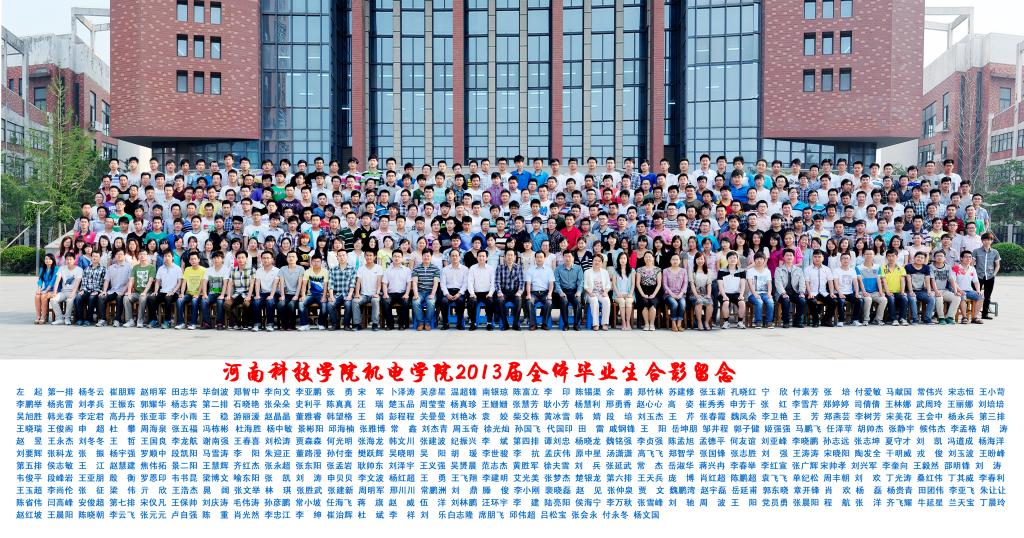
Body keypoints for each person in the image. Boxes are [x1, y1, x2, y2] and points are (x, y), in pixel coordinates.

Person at [773, 249, 806, 328]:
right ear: (783, 257)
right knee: (786, 300)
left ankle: (797, 321)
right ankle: (786, 321)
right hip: (781, 293)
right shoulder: (778, 269)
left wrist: (801, 292)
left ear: (794, 257)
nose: (789, 257)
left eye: (791, 255)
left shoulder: (799, 270)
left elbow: (802, 282)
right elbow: (778, 283)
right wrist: (783, 293)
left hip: (794, 292)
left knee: (802, 300)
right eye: (787, 255)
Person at [123, 251, 156, 328]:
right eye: (140, 254)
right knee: (126, 298)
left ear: (147, 256)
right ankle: (130, 320)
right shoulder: (135, 267)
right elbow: (131, 280)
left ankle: (140, 320)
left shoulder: (151, 267)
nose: (142, 256)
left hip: (147, 292)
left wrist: (144, 292)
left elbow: (150, 281)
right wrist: (129, 292)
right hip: (136, 292)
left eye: (144, 254)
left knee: (142, 298)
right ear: (138, 256)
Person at [804, 249, 837, 327]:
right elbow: (807, 282)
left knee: (834, 301)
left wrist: (831, 293)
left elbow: (830, 282)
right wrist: (809, 293)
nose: (817, 258)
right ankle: (815, 321)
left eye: (819, 257)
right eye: (815, 257)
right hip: (812, 292)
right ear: (812, 258)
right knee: (812, 301)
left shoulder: (827, 269)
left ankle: (826, 320)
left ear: (823, 258)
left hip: (823, 292)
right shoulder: (808, 269)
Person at [353, 250, 384, 330]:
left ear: (374, 257)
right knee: (355, 301)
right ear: (364, 257)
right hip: (364, 294)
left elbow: (379, 282)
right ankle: (357, 324)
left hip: (375, 294)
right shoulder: (361, 268)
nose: (368, 257)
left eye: (370, 255)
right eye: (367, 255)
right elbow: (358, 282)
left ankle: (375, 324)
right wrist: (357, 293)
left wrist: (377, 293)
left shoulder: (379, 268)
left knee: (375, 300)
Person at [494, 249, 524, 331]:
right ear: (504, 257)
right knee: (500, 300)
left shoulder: (519, 268)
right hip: (504, 292)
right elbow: (497, 282)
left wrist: (519, 292)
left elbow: (522, 282)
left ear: (515, 257)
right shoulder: (499, 267)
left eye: (511, 255)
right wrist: (499, 292)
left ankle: (515, 324)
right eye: (508, 255)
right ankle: (505, 324)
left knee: (519, 300)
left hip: (515, 292)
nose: (510, 257)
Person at [327, 249, 358, 330]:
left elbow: (352, 283)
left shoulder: (352, 269)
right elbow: (331, 284)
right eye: (339, 256)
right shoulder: (333, 269)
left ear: (347, 256)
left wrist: (350, 295)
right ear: (337, 257)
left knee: (348, 304)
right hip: (336, 294)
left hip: (348, 293)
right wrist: (331, 296)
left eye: (343, 255)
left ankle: (346, 324)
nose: (342, 257)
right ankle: (335, 324)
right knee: (330, 304)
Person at [855, 248, 888, 325]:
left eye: (871, 254)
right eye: (867, 254)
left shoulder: (877, 267)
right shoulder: (858, 267)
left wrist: (881, 292)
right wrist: (864, 292)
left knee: (884, 299)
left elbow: (878, 280)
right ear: (864, 255)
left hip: (875, 292)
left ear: (873, 255)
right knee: (868, 299)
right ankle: (866, 320)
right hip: (863, 292)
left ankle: (878, 319)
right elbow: (860, 281)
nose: (869, 256)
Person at [381, 251, 413, 330]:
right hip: (390, 293)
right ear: (392, 258)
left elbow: (409, 283)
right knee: (385, 301)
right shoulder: (387, 270)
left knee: (406, 302)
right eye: (395, 256)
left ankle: (401, 324)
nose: (397, 258)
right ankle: (390, 324)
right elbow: (384, 284)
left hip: (402, 293)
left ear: (402, 258)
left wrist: (407, 294)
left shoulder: (407, 270)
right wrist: (385, 294)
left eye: (399, 256)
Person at [297, 254, 330, 330]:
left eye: (318, 261)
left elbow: (326, 285)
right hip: (310, 294)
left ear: (321, 262)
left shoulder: (325, 272)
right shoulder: (307, 271)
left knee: (324, 304)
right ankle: (304, 324)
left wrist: (324, 296)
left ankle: (321, 323)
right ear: (311, 262)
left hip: (321, 294)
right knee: (301, 303)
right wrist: (303, 295)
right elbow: (304, 285)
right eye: (314, 261)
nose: (316, 263)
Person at [410, 250, 441, 331]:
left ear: (431, 257)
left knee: (431, 302)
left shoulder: (435, 269)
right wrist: (416, 294)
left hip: (430, 292)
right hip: (420, 292)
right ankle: (420, 323)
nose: (426, 257)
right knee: (415, 302)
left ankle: (427, 323)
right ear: (422, 256)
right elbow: (414, 282)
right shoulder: (416, 268)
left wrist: (432, 294)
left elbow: (435, 283)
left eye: (428, 256)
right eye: (424, 256)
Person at [251, 251, 281, 331]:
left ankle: (270, 324)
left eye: (268, 258)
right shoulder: (259, 271)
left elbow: (275, 284)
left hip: (274, 293)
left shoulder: (277, 270)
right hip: (263, 293)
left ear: (272, 259)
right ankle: (257, 324)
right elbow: (257, 283)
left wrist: (271, 295)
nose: (266, 260)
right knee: (256, 302)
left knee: (270, 302)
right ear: (261, 259)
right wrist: (257, 295)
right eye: (264, 258)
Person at [554, 251, 584, 331]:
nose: (567, 258)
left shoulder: (578, 268)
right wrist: (560, 292)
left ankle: (576, 324)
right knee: (564, 302)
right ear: (563, 258)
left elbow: (581, 282)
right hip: (563, 291)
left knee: (578, 303)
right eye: (565, 256)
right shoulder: (558, 269)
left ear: (573, 258)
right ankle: (566, 324)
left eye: (569, 256)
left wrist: (579, 292)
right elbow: (556, 282)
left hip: (574, 291)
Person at [50, 253, 83, 326]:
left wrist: (73, 293)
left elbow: (77, 282)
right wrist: (55, 292)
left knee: (70, 300)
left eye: (70, 259)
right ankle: (59, 318)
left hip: (73, 291)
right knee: (53, 300)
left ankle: (67, 318)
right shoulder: (62, 268)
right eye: (67, 259)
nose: (69, 261)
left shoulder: (79, 269)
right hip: (63, 292)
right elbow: (57, 281)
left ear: (74, 260)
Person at [524, 251, 554, 330]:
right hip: (534, 293)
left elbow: (551, 284)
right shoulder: (530, 270)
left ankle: (544, 324)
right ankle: (533, 324)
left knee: (549, 302)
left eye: (541, 257)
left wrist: (550, 294)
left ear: (544, 258)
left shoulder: (549, 270)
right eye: (537, 257)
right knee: (529, 302)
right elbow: (528, 284)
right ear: (535, 258)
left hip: (545, 293)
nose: (539, 259)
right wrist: (528, 294)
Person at [175, 252, 206, 330]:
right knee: (179, 300)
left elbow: (202, 284)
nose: (193, 261)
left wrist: (198, 294)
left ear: (199, 260)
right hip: (188, 293)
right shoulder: (187, 269)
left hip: (199, 293)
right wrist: (182, 293)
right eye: (191, 259)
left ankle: (193, 323)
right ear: (189, 261)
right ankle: (181, 323)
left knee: (194, 301)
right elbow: (184, 282)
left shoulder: (203, 270)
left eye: (195, 259)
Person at [953, 250, 984, 325]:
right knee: (962, 296)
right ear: (961, 258)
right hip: (958, 290)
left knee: (980, 296)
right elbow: (953, 281)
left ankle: (975, 317)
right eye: (966, 257)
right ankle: (964, 317)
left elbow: (976, 281)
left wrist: (978, 290)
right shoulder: (956, 267)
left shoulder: (972, 269)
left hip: (969, 290)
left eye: (970, 257)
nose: (968, 259)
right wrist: (960, 290)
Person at [467, 250, 496, 330]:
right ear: (477, 257)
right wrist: (472, 293)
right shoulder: (472, 268)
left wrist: (490, 293)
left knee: (490, 301)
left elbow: (493, 283)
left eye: (483, 256)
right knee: (471, 301)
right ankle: (473, 323)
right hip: (475, 293)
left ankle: (489, 323)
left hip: (487, 293)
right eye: (479, 256)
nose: (481, 258)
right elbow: (470, 282)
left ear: (486, 258)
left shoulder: (491, 269)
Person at [930, 250, 961, 325]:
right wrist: (936, 291)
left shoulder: (948, 267)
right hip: (933, 290)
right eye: (937, 256)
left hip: (944, 290)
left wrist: (955, 291)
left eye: (941, 256)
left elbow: (951, 279)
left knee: (957, 297)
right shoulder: (930, 267)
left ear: (945, 258)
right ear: (934, 258)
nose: (939, 257)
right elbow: (932, 280)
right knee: (939, 298)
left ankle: (949, 317)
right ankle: (941, 318)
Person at [973, 232, 999, 319]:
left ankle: (985, 314)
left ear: (992, 241)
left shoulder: (995, 252)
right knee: (976, 295)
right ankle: (974, 314)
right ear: (982, 241)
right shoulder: (976, 251)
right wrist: (973, 275)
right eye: (985, 240)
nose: (987, 241)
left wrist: (994, 274)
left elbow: (997, 265)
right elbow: (972, 264)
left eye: (989, 240)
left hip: (990, 276)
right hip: (978, 276)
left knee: (987, 296)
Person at [905, 251, 935, 325]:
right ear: (914, 258)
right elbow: (908, 281)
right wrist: (911, 291)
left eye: (922, 258)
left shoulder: (926, 267)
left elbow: (927, 281)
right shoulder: (908, 267)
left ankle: (927, 319)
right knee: (913, 299)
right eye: (918, 257)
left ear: (924, 260)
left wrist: (929, 291)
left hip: (921, 291)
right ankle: (915, 319)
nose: (920, 259)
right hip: (910, 291)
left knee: (931, 299)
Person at [276, 251, 304, 330]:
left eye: (293, 256)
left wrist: (296, 295)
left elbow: (300, 284)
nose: (291, 258)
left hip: (297, 294)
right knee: (280, 304)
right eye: (289, 256)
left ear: (297, 258)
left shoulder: (300, 269)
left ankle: (292, 325)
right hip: (286, 294)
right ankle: (284, 325)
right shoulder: (283, 269)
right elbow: (281, 283)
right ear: (286, 258)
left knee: (291, 305)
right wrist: (282, 295)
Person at [225, 251, 253, 329]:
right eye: (239, 258)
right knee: (226, 304)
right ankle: (236, 323)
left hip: (247, 294)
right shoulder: (233, 270)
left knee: (246, 304)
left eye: (242, 257)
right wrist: (228, 295)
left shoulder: (251, 270)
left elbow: (252, 284)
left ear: (246, 259)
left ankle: (245, 323)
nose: (240, 259)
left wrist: (249, 296)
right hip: (236, 294)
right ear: (236, 259)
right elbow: (230, 284)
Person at [635, 251, 662, 331]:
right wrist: (643, 294)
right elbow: (637, 283)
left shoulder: (658, 269)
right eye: (646, 257)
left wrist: (654, 294)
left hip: (654, 291)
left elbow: (659, 284)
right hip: (642, 290)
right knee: (644, 303)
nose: (648, 258)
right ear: (644, 259)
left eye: (650, 256)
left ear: (653, 258)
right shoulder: (639, 269)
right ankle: (646, 324)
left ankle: (652, 324)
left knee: (653, 303)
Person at [583, 254, 612, 331]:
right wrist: (590, 293)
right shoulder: (587, 272)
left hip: (602, 293)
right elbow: (585, 285)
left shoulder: (605, 272)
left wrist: (606, 292)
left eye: (599, 261)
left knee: (607, 300)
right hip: (590, 293)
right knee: (594, 300)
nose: (597, 262)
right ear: (592, 261)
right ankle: (595, 324)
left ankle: (604, 323)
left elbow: (608, 285)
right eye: (595, 260)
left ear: (602, 263)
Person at [832, 252, 861, 327]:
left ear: (850, 260)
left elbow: (855, 283)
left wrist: (857, 293)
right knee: (841, 301)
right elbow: (835, 283)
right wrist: (840, 293)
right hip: (839, 292)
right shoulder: (836, 270)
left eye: (847, 258)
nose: (845, 260)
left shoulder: (852, 271)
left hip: (849, 293)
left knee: (859, 301)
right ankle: (841, 320)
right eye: (843, 258)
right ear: (840, 260)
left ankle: (855, 320)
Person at [881, 248, 909, 326]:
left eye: (893, 256)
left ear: (897, 257)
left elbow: (903, 280)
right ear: (886, 257)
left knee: (904, 298)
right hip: (886, 292)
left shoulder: (901, 268)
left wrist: (902, 291)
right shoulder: (882, 268)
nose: (891, 258)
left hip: (898, 292)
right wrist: (887, 292)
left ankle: (902, 318)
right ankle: (893, 319)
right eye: (889, 256)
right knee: (891, 298)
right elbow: (883, 280)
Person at [745, 253, 773, 329]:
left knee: (770, 301)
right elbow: (750, 284)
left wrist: (769, 293)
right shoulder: (750, 271)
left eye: (761, 259)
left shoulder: (767, 271)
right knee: (759, 301)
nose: (759, 260)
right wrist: (755, 294)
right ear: (754, 260)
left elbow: (769, 283)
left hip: (764, 293)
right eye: (757, 259)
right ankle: (758, 322)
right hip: (752, 294)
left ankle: (769, 322)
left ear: (764, 260)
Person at [662, 253, 688, 332]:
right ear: (670, 261)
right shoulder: (665, 271)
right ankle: (673, 323)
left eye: (677, 259)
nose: (675, 261)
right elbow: (664, 284)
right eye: (673, 259)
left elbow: (685, 283)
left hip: (681, 294)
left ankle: (679, 324)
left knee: (682, 304)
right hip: (668, 295)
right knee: (674, 304)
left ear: (680, 261)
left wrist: (680, 294)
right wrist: (672, 294)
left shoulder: (683, 271)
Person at [689, 251, 714, 331]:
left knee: (709, 303)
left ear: (704, 260)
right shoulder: (692, 271)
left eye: (702, 259)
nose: (700, 261)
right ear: (695, 260)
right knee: (699, 302)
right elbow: (692, 284)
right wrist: (696, 295)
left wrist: (708, 295)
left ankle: (706, 322)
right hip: (694, 294)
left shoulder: (708, 271)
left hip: (705, 293)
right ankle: (699, 322)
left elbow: (709, 284)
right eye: (698, 259)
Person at [612, 252, 635, 330]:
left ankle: (628, 322)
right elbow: (614, 284)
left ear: (627, 260)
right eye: (621, 258)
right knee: (622, 301)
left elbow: (633, 284)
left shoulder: (632, 271)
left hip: (629, 294)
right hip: (618, 294)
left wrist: (630, 293)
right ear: (618, 260)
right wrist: (618, 293)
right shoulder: (615, 271)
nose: (622, 260)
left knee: (628, 302)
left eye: (624, 258)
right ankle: (623, 323)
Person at [34, 254, 59, 324]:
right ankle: (38, 316)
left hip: (54, 290)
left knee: (43, 296)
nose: (47, 260)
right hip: (45, 289)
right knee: (37, 296)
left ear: (53, 260)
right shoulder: (42, 269)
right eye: (46, 259)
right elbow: (40, 280)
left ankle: (44, 317)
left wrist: (45, 291)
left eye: (49, 259)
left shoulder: (56, 268)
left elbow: (53, 281)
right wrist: (39, 290)